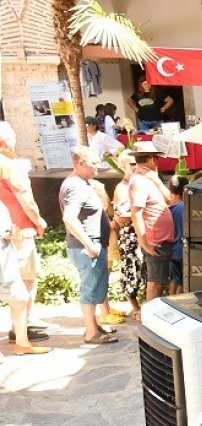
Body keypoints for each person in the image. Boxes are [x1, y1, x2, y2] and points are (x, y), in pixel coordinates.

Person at [0, 121, 51, 354]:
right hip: (16, 230)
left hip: (11, 229)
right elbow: (25, 198)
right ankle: (20, 331)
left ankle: (22, 328)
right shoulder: (8, 164)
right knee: (21, 282)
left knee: (21, 280)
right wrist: (39, 221)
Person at [60, 146, 117, 344]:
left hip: (92, 244)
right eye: (93, 164)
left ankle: (94, 326)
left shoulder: (82, 183)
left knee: (94, 287)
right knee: (90, 288)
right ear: (79, 163)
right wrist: (88, 243)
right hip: (87, 247)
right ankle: (91, 332)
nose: (97, 168)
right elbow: (69, 217)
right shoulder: (75, 186)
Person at [128, 141, 176, 302]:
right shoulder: (139, 181)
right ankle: (150, 318)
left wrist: (156, 180)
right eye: (156, 158)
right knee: (155, 283)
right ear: (150, 159)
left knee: (159, 281)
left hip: (161, 238)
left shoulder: (149, 179)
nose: (158, 162)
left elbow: (170, 199)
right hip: (155, 240)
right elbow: (136, 212)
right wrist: (145, 242)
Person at [112, 150, 144, 319]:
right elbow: (119, 217)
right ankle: (134, 303)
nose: (135, 167)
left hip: (143, 231)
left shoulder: (139, 183)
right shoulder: (121, 188)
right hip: (130, 234)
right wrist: (138, 213)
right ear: (123, 165)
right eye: (131, 164)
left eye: (136, 163)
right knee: (132, 268)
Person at [166, 175, 187, 295]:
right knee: (183, 283)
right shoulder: (184, 207)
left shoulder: (169, 207)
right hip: (181, 249)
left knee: (175, 280)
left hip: (172, 249)